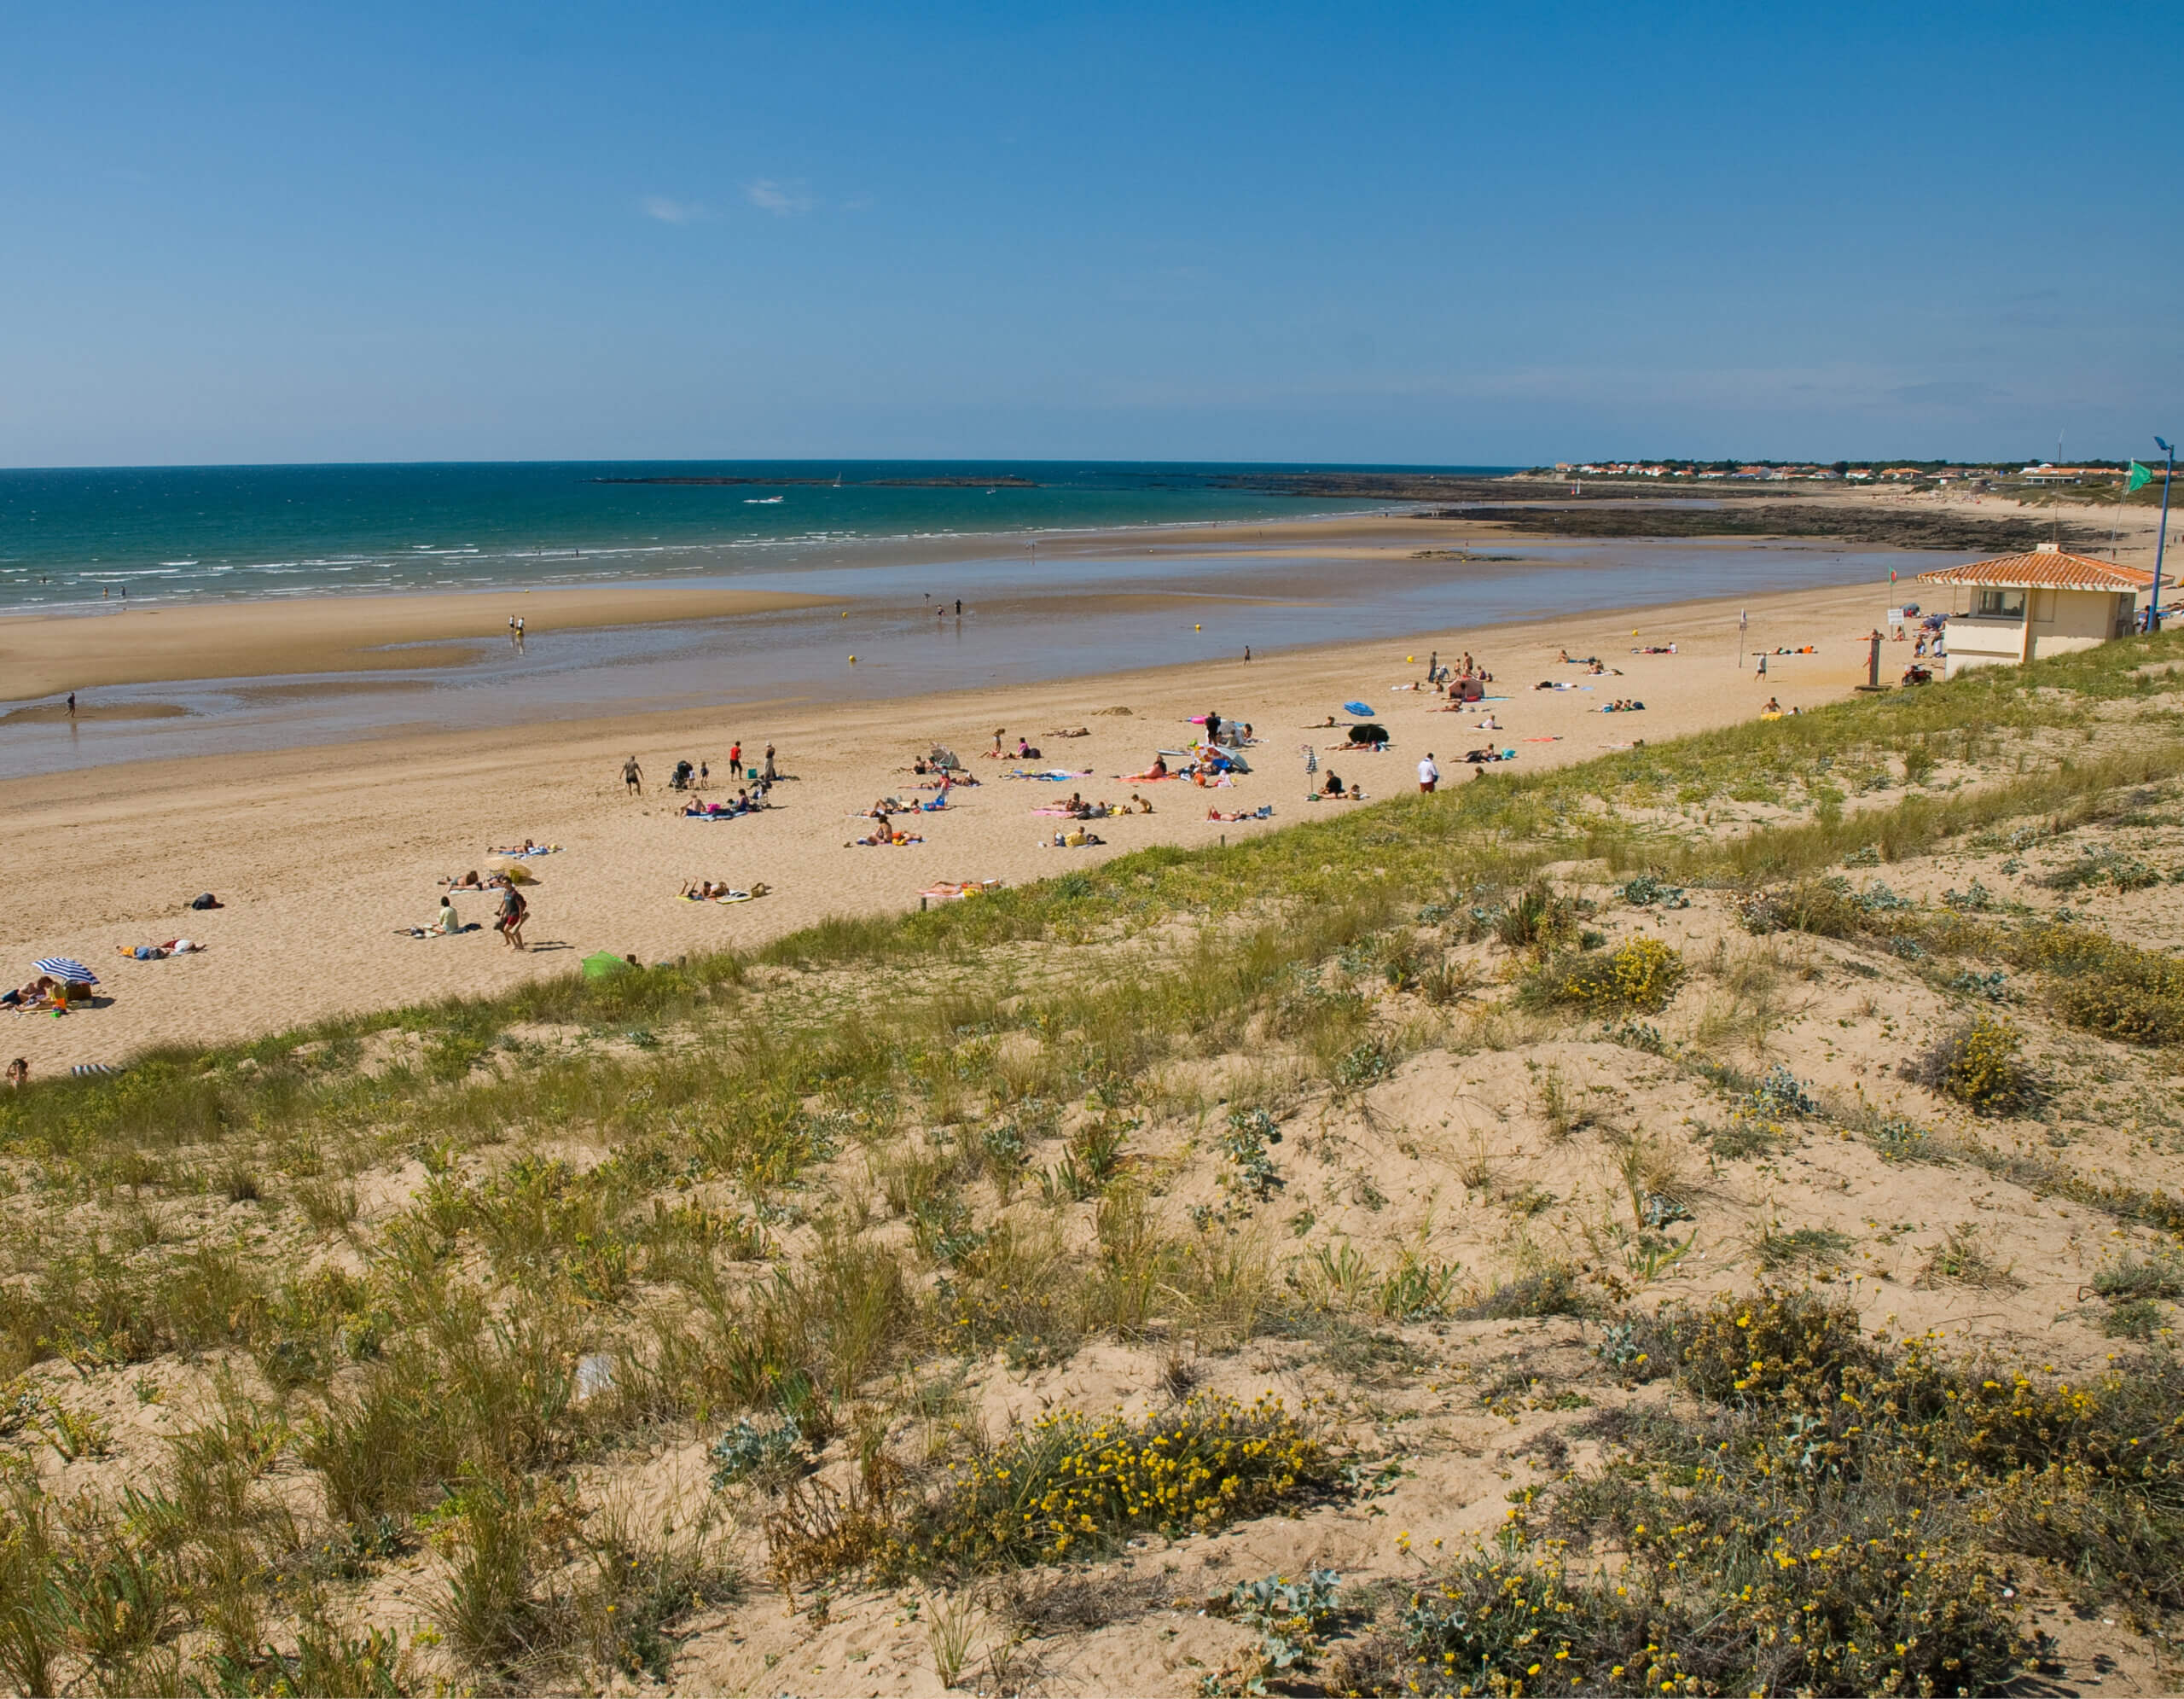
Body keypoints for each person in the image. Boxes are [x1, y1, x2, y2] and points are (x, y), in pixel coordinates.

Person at [497, 883, 528, 950]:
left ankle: (514, 944)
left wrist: (520, 916)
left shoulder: (515, 894)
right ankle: (520, 945)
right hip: (508, 914)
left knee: (506, 929)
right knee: (515, 930)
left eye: (505, 883)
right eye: (503, 883)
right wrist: (502, 913)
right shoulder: (506, 893)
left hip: (515, 914)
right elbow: (506, 904)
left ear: (510, 884)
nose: (504, 885)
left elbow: (520, 905)